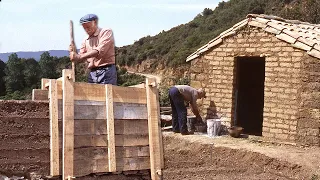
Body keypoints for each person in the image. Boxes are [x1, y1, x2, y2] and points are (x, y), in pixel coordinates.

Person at [69, 14, 117, 85]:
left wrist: (79, 57)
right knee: (92, 95)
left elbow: (99, 51)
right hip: (92, 72)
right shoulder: (85, 39)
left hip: (106, 71)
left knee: (107, 94)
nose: (86, 30)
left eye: (88, 27)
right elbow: (80, 57)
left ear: (95, 22)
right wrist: (74, 53)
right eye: (84, 28)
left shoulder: (106, 32)